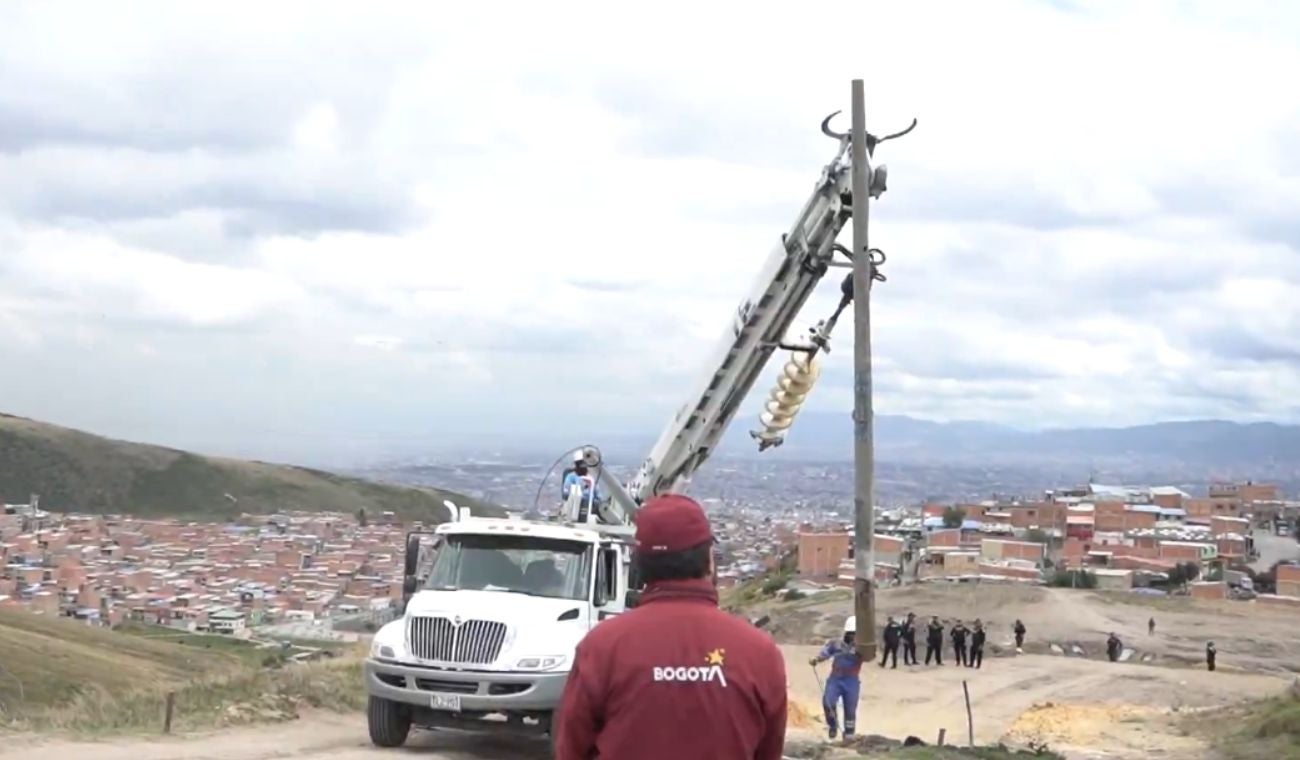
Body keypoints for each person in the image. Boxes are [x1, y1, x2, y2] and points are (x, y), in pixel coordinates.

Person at [554, 494, 787, 760]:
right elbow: (769, 752)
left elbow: (571, 748)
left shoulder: (602, 647)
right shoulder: (759, 653)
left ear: (639, 565)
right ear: (710, 559)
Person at [811, 616, 864, 740]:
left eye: (856, 634)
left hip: (851, 680)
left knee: (850, 709)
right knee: (828, 702)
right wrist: (816, 659)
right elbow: (825, 653)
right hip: (835, 678)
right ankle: (833, 725)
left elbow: (870, 655)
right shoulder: (836, 643)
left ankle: (849, 734)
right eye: (852, 633)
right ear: (847, 632)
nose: (854, 636)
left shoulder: (862, 647)